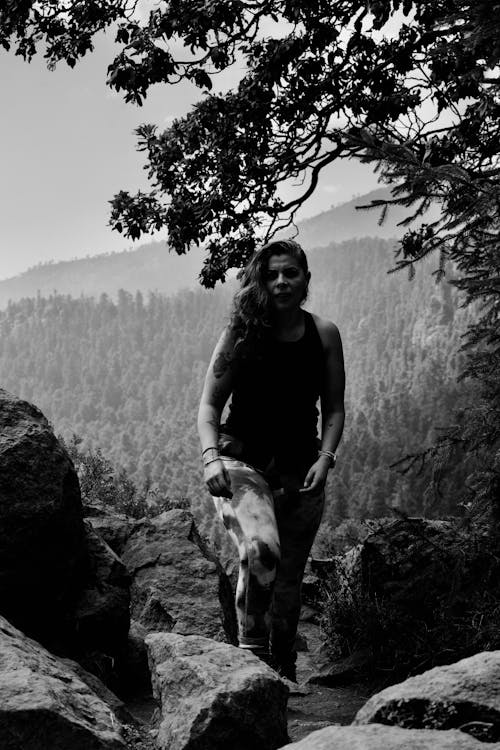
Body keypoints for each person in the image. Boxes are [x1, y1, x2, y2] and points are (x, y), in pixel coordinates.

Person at [197, 239, 345, 681]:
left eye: (290, 273)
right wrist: (210, 460)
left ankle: (284, 668)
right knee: (262, 551)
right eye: (271, 274)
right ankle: (252, 667)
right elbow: (209, 406)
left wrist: (326, 457)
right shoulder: (242, 333)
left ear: (305, 280)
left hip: (301, 470)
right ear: (260, 282)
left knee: (287, 583)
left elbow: (334, 408)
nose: (281, 281)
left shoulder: (323, 334)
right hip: (242, 463)